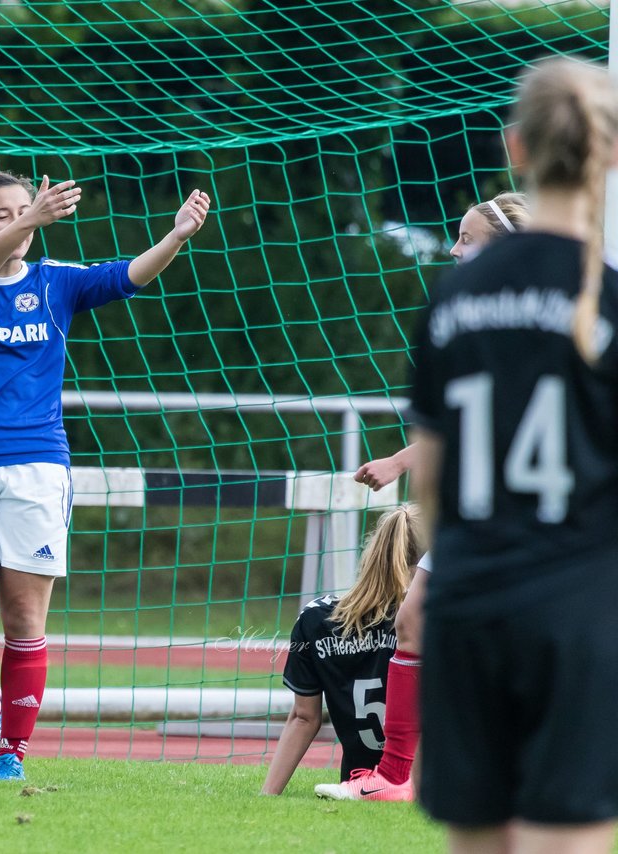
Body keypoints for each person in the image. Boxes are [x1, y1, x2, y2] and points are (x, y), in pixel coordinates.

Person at [0, 170, 212, 781]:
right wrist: (32, 219)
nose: (16, 222)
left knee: (25, 619)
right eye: (0, 214)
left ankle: (11, 754)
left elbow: (127, 275)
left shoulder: (57, 283)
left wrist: (177, 237)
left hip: (36, 465)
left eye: (23, 211)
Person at [410, 58, 618, 853]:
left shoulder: (453, 299)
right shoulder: (608, 296)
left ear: (515, 147)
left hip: (469, 607)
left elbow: (429, 481)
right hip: (576, 613)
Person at [332, 191, 530, 801]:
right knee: (414, 621)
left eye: (468, 238)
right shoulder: (473, 318)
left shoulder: (536, 322)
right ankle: (394, 777)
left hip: (528, 515)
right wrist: (397, 461)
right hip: (475, 511)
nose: (454, 247)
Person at [261, 504, 424, 796]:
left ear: (372, 553)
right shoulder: (425, 621)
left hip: (356, 781)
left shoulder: (315, 618)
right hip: (422, 782)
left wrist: (267, 795)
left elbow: (304, 717)